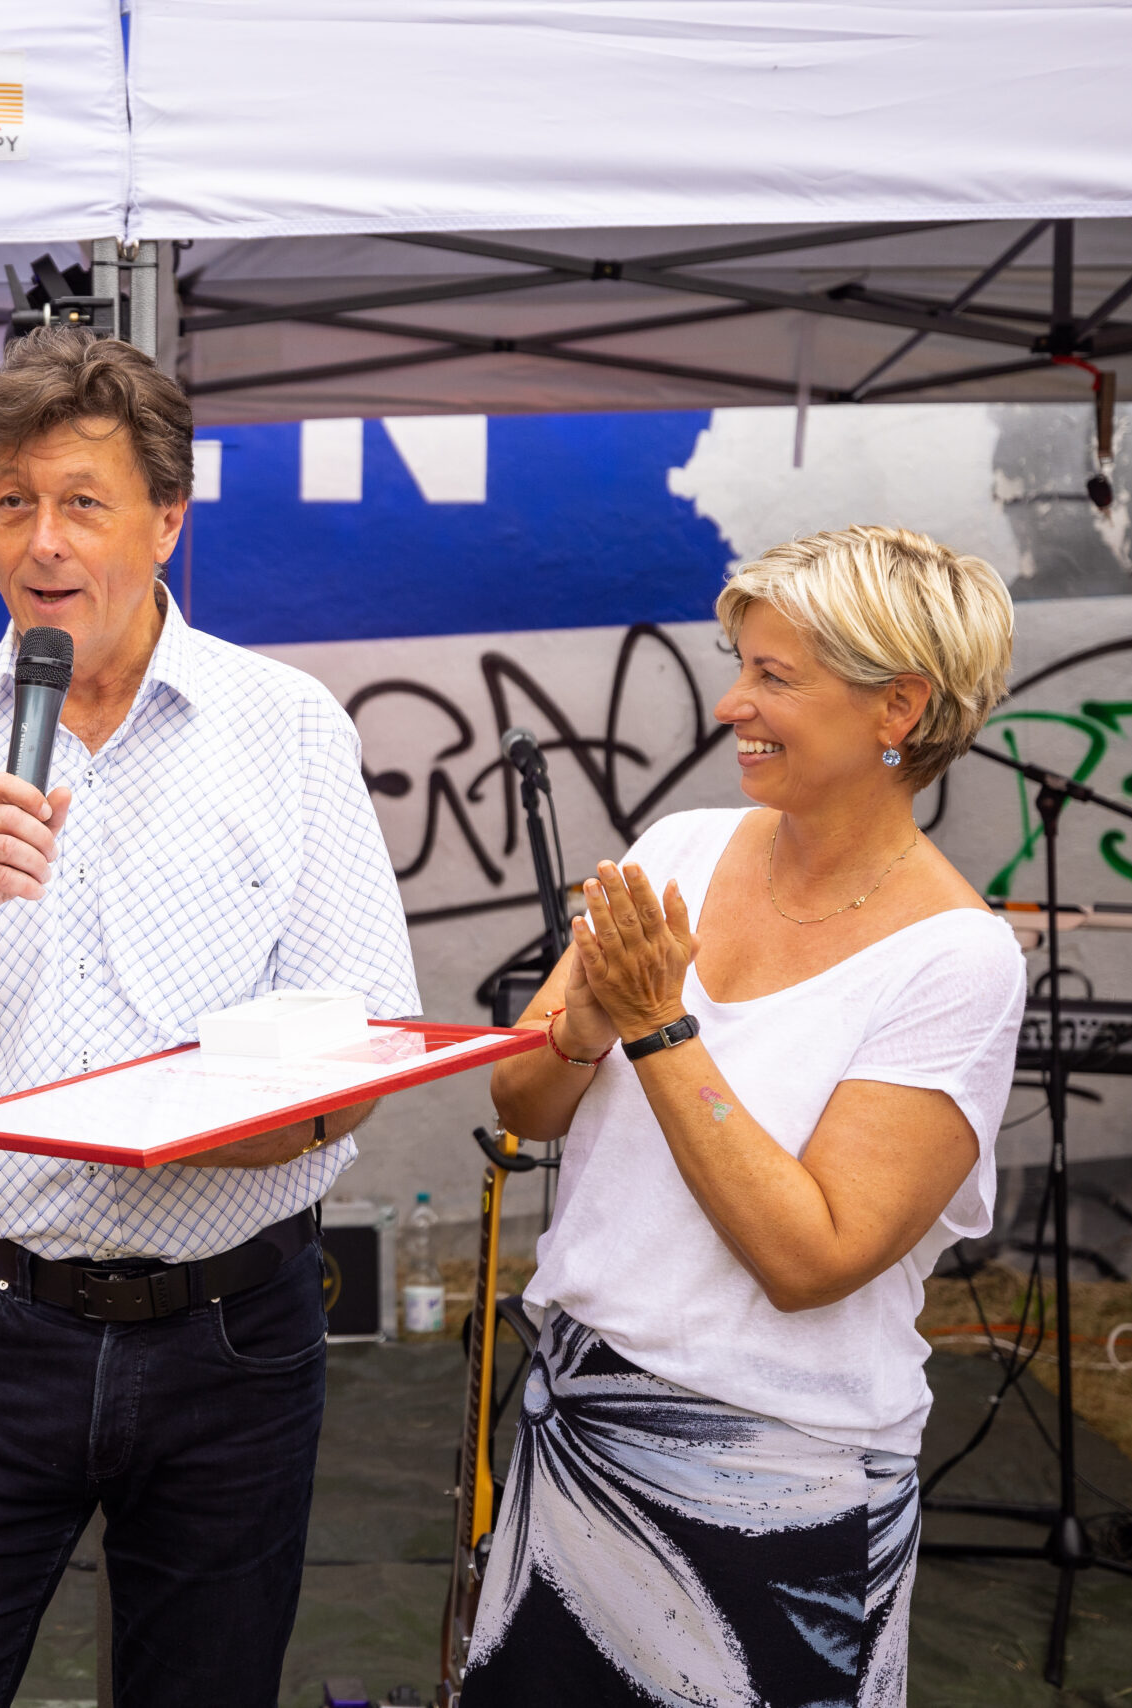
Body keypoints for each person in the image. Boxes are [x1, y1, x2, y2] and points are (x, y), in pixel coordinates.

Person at [0, 328, 417, 1708]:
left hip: (234, 1336)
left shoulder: (288, 725)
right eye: (13, 502)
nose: (43, 543)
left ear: (169, 520)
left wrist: (151, 1132)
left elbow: (362, 1057)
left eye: (82, 501)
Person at [466, 526, 1026, 1708]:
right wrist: (585, 1026)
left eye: (775, 675)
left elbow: (808, 1255)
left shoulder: (956, 960)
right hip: (578, 1433)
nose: (732, 704)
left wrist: (661, 1027)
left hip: (779, 1486)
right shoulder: (681, 847)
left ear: (899, 707)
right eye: (740, 665)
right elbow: (523, 1104)